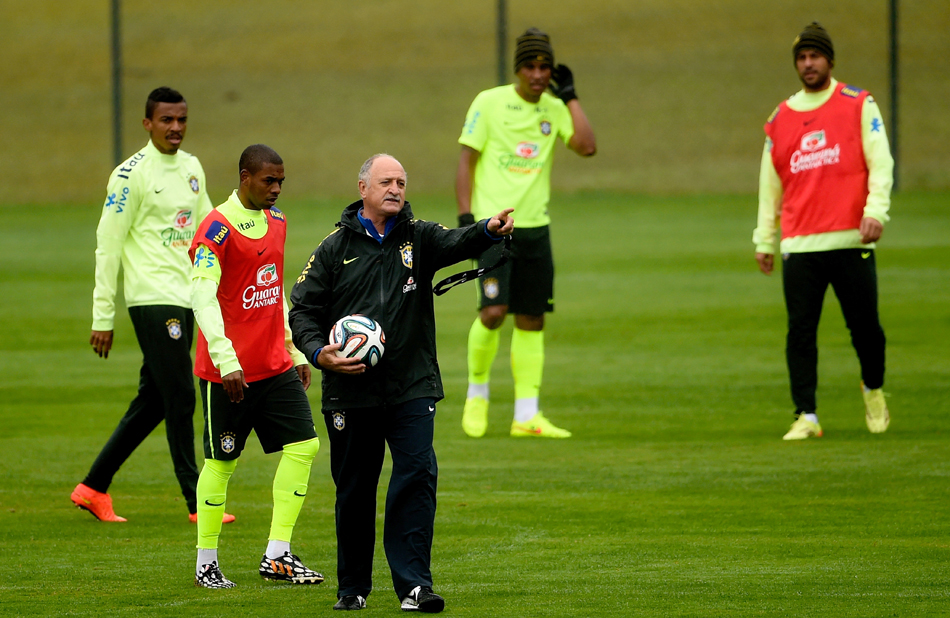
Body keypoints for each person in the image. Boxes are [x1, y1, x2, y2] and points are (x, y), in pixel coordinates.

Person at [289, 154, 514, 612]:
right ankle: (351, 587)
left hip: (412, 385)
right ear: (363, 188)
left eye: (402, 182)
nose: (396, 189)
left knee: (416, 475)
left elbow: (458, 242)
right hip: (350, 391)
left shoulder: (419, 236)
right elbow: (302, 311)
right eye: (386, 181)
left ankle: (414, 585)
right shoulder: (334, 249)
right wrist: (318, 353)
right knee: (354, 488)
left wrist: (488, 229)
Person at [71, 87, 234, 525]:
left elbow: (206, 229)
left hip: (186, 297)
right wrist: (102, 316)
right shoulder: (129, 175)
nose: (175, 128)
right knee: (181, 394)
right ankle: (198, 502)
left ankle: (92, 487)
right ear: (148, 124)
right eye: (166, 120)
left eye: (181, 120)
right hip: (150, 296)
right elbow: (108, 246)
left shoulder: (192, 167)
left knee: (155, 400)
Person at [188, 144, 323, 589]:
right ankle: (206, 561)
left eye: (282, 181)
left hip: (273, 365)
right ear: (245, 176)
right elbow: (202, 298)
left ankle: (278, 555)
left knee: (304, 446)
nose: (277, 189)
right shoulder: (216, 230)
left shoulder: (278, 221)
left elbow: (273, 289)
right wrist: (226, 359)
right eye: (269, 180)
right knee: (221, 463)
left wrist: (295, 350)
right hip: (229, 373)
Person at [753, 22, 893, 440]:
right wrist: (765, 238)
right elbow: (769, 184)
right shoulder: (780, 118)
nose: (808, 64)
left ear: (830, 60)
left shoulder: (858, 103)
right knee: (800, 332)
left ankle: (873, 388)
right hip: (800, 242)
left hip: (851, 238)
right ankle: (806, 415)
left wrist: (876, 212)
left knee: (866, 329)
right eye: (801, 57)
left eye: (815, 56)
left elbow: (880, 162)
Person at [456, 27, 596, 439]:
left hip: (537, 229)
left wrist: (570, 96)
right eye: (530, 66)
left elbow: (587, 146)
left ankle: (526, 415)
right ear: (518, 69)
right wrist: (467, 220)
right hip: (495, 227)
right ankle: (477, 394)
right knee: (493, 312)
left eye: (544, 67)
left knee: (532, 318)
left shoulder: (554, 108)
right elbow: (466, 160)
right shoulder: (490, 102)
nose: (537, 74)